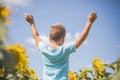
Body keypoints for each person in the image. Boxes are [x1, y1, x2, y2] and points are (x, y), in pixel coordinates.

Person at [25, 11, 97, 80]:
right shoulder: (65, 50)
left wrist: (31, 23)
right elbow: (81, 38)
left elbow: (36, 36)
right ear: (63, 39)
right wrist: (89, 22)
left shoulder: (44, 48)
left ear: (49, 38)